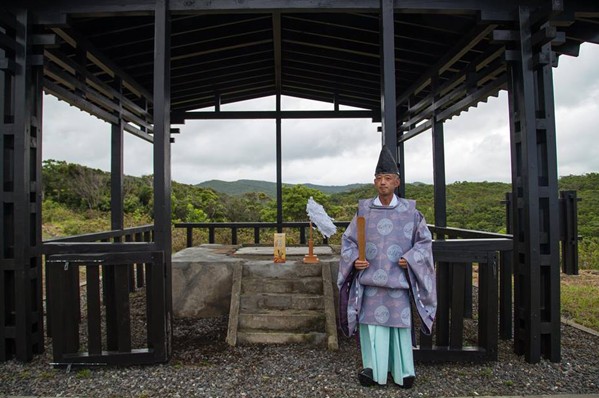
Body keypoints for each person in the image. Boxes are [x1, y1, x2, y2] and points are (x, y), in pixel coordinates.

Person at [337, 145, 436, 388]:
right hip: (370, 281)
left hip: (398, 281)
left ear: (397, 182)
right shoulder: (363, 210)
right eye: (379, 178)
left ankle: (404, 372)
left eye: (388, 178)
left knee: (399, 328)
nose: (383, 183)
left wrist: (411, 258)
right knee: (372, 329)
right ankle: (373, 370)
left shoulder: (411, 213)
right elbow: (348, 241)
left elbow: (424, 242)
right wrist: (354, 260)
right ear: (374, 182)